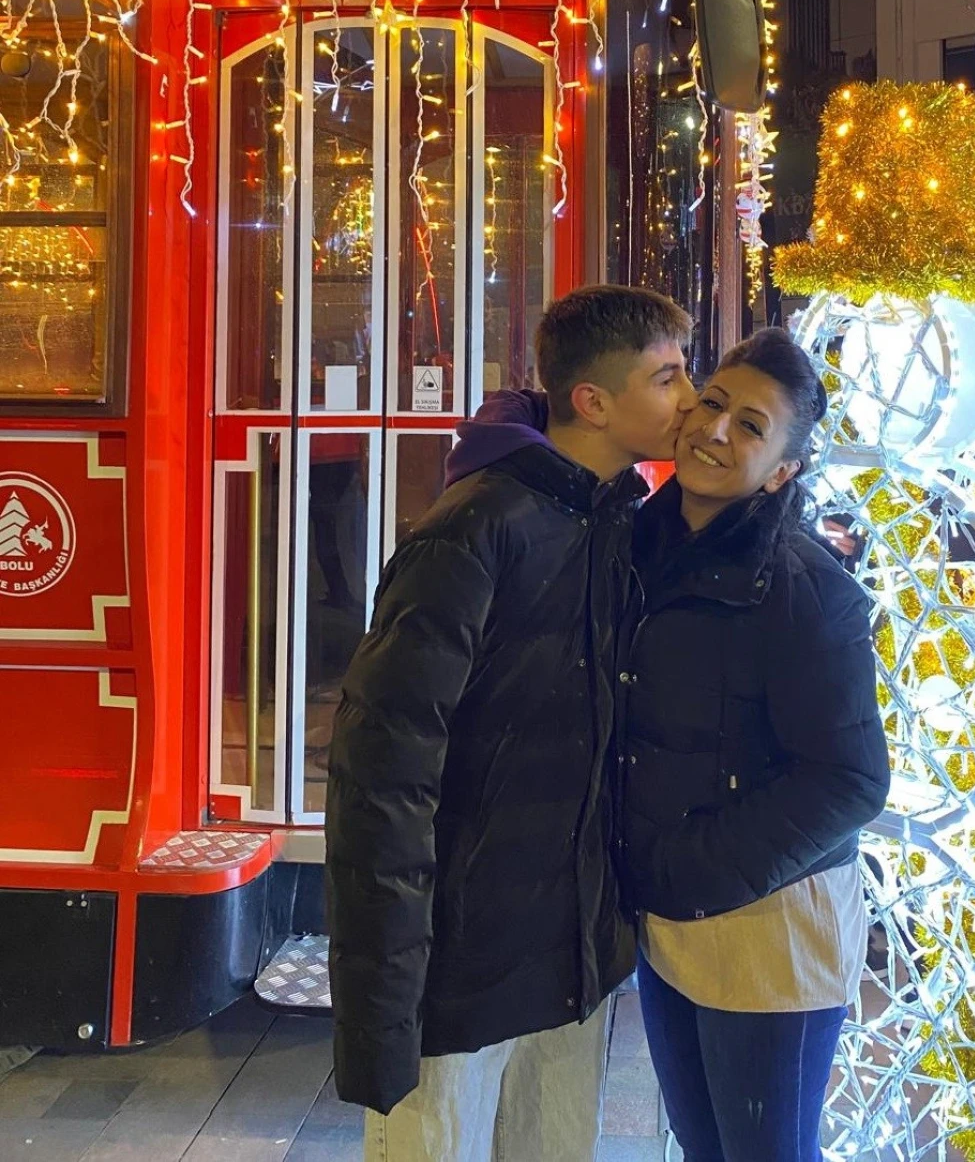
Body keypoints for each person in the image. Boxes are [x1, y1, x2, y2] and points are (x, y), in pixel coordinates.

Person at [324, 285, 697, 1161]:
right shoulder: (476, 528)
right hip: (459, 972)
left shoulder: (613, 518)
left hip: (570, 966)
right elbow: (383, 773)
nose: (690, 399)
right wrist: (383, 1005)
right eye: (668, 377)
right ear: (593, 401)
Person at [617, 327, 892, 1162]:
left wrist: (692, 865)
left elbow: (850, 780)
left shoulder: (806, 589)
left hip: (770, 934)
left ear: (782, 470)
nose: (714, 430)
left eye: (750, 426)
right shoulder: (639, 548)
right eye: (713, 403)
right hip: (670, 919)